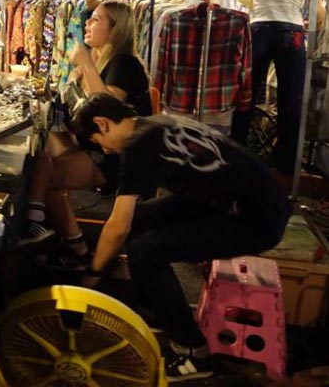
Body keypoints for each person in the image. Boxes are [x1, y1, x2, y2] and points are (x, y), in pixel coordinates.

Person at [71, 93, 290, 382]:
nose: (107, 151)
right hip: (249, 204)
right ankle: (157, 311)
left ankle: (193, 351)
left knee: (146, 250)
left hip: (256, 221)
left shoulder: (138, 146)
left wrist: (93, 272)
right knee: (142, 219)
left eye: (98, 141)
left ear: (102, 123)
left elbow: (117, 226)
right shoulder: (155, 123)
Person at [24, 1, 152, 262]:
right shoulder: (99, 61)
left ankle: (69, 243)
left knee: (43, 174)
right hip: (89, 143)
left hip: (115, 157)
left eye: (96, 19)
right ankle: (52, 229)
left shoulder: (124, 63)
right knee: (37, 147)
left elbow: (107, 112)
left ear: (115, 29)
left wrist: (85, 63)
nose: (87, 24)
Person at [240, 0, 324, 176]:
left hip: (258, 30)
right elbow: (317, 9)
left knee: (247, 96)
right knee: (291, 100)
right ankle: (286, 165)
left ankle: (238, 153)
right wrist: (314, 21)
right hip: (291, 34)